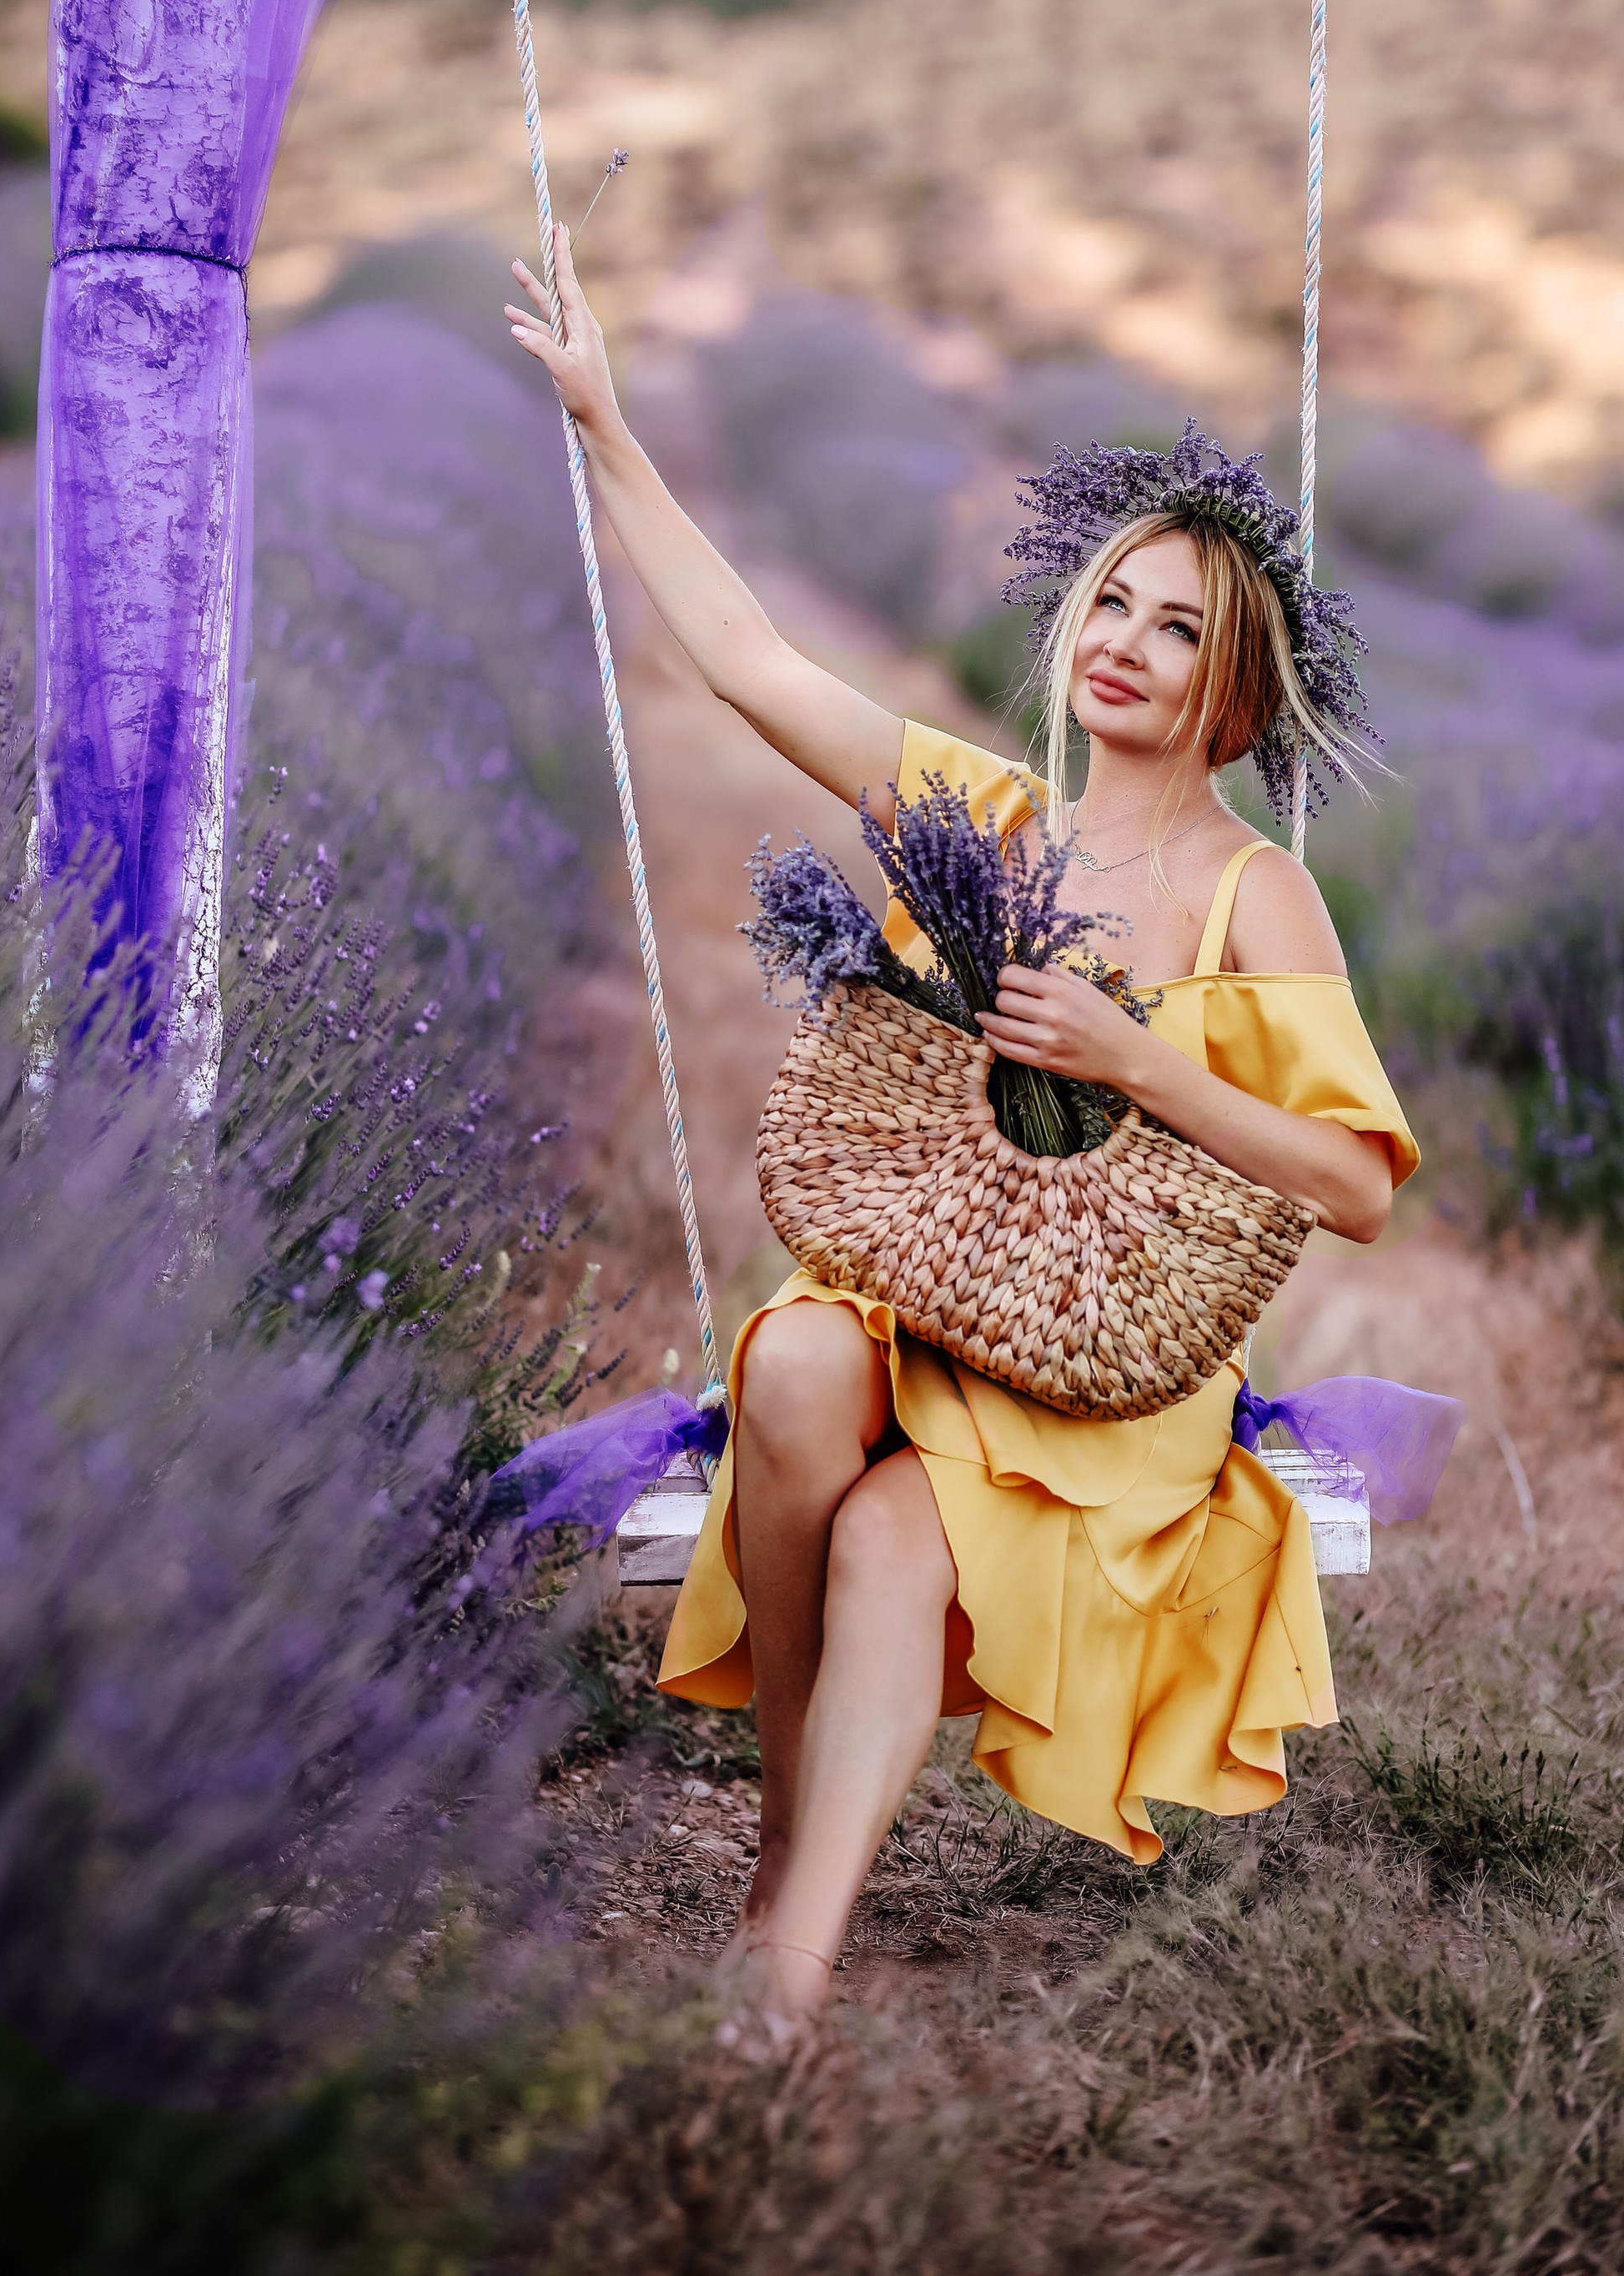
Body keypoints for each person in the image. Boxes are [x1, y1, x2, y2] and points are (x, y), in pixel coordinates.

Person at [506, 226, 1418, 2032]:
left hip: (1102, 1371)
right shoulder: (983, 821)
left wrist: (1143, 1063)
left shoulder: (1256, 901)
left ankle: (780, 1970)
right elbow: (748, 661)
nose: (1127, 646)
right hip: (933, 1296)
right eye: (1110, 605)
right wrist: (608, 424)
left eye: (1180, 630)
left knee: (889, 1540)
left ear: (1233, 695)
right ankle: (785, 1849)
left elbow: (1353, 1189)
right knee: (782, 1375)